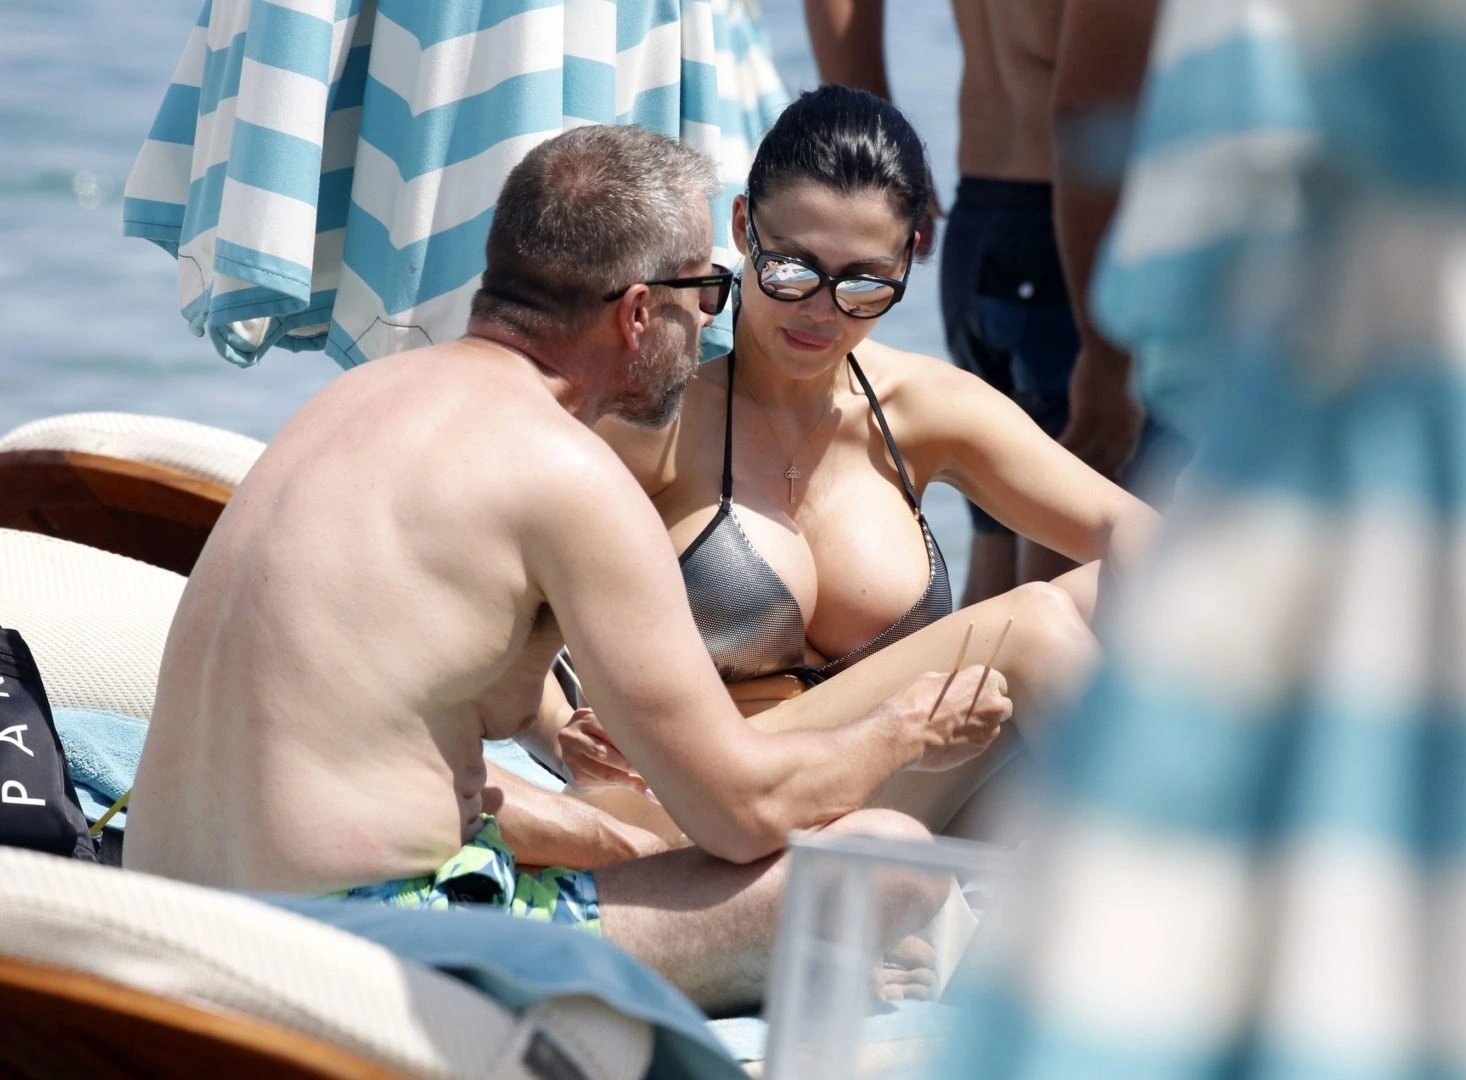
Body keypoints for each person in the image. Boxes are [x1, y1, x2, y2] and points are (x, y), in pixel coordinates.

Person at [123, 124, 1012, 1016]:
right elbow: (741, 813)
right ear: (638, 313)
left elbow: (389, 749)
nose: (713, 317)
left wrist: (615, 843)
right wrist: (906, 730)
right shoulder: (569, 474)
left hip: (163, 919)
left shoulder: (355, 400)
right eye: (705, 290)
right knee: (886, 859)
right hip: (355, 948)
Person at [544, 86, 1160, 842]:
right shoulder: (657, 420)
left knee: (1117, 587)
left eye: (864, 284)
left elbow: (1140, 534)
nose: (821, 311)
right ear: (741, 228)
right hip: (706, 801)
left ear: (907, 259)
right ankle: (1196, 867)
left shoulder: (922, 407)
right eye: (793, 270)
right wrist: (553, 722)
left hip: (887, 790)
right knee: (1031, 627)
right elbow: (494, 573)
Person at [802, 0, 1165, 604]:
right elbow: (1086, 112)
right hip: (1072, 241)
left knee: (999, 560)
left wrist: (882, 159)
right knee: (1082, 580)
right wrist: (1104, 349)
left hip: (980, 226)